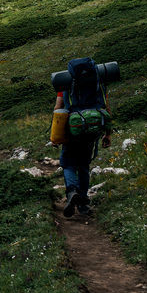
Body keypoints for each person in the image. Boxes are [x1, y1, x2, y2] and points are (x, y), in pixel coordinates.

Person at [54, 58, 111, 218]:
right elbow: (106, 107)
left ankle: (72, 191)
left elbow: (58, 108)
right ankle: (83, 204)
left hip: (73, 129)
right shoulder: (98, 81)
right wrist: (108, 133)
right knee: (84, 165)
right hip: (92, 129)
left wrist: (56, 135)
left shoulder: (65, 83)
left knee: (68, 163)